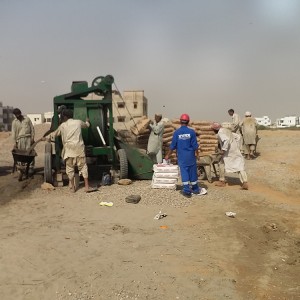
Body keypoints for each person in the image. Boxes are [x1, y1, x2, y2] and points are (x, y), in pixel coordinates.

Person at [44, 109, 96, 193]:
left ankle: (72, 187)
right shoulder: (78, 122)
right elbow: (86, 125)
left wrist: (46, 137)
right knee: (83, 167)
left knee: (70, 168)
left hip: (69, 150)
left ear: (65, 117)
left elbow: (54, 133)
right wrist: (87, 121)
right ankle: (87, 187)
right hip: (79, 149)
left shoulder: (63, 126)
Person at [165, 114, 207, 198]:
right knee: (192, 172)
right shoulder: (191, 132)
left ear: (180, 121)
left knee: (184, 172)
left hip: (182, 157)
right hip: (191, 156)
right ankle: (195, 189)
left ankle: (187, 191)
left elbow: (172, 145)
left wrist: (167, 155)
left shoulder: (177, 132)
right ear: (188, 122)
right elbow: (195, 146)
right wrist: (197, 155)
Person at [211, 122, 248, 190]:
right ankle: (245, 182)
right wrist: (234, 144)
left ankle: (222, 181)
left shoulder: (220, 132)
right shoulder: (227, 130)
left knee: (221, 163)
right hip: (235, 150)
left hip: (228, 152)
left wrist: (223, 150)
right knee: (240, 165)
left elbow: (226, 140)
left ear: (215, 129)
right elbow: (238, 137)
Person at [11, 108, 35, 175]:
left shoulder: (27, 119)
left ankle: (30, 167)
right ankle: (21, 168)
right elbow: (14, 133)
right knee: (20, 154)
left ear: (20, 113)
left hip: (28, 138)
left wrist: (32, 138)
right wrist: (15, 142)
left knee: (29, 153)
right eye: (16, 115)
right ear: (15, 115)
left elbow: (32, 129)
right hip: (20, 139)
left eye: (18, 114)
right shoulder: (14, 122)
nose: (17, 116)